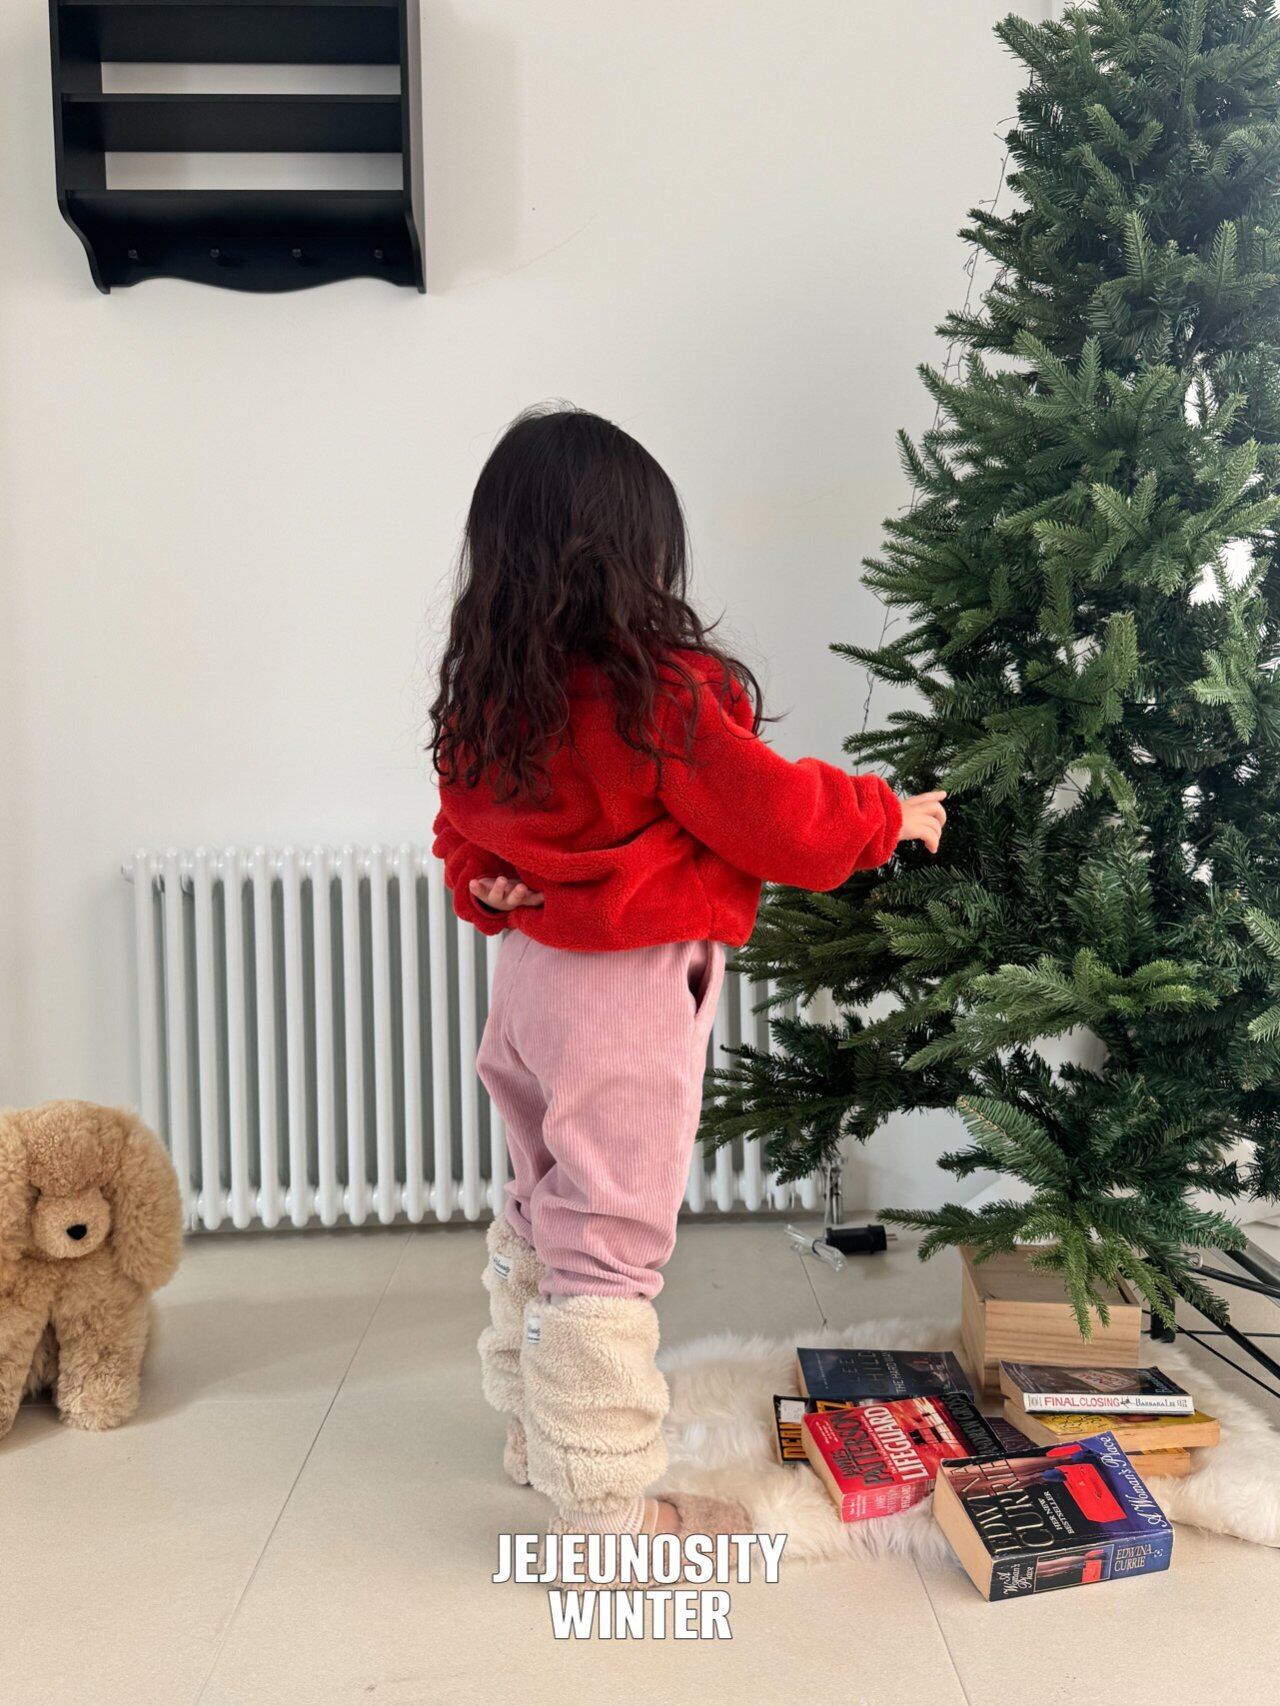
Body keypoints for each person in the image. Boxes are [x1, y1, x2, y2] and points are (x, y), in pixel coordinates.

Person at [430, 406, 947, 1556]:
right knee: (606, 1240)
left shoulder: (491, 693)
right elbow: (774, 812)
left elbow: (459, 829)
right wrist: (885, 816)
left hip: (527, 985)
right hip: (620, 997)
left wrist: (481, 885)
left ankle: (535, 1429)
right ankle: (605, 1512)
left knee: (538, 1203)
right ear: (630, 554)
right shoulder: (656, 695)